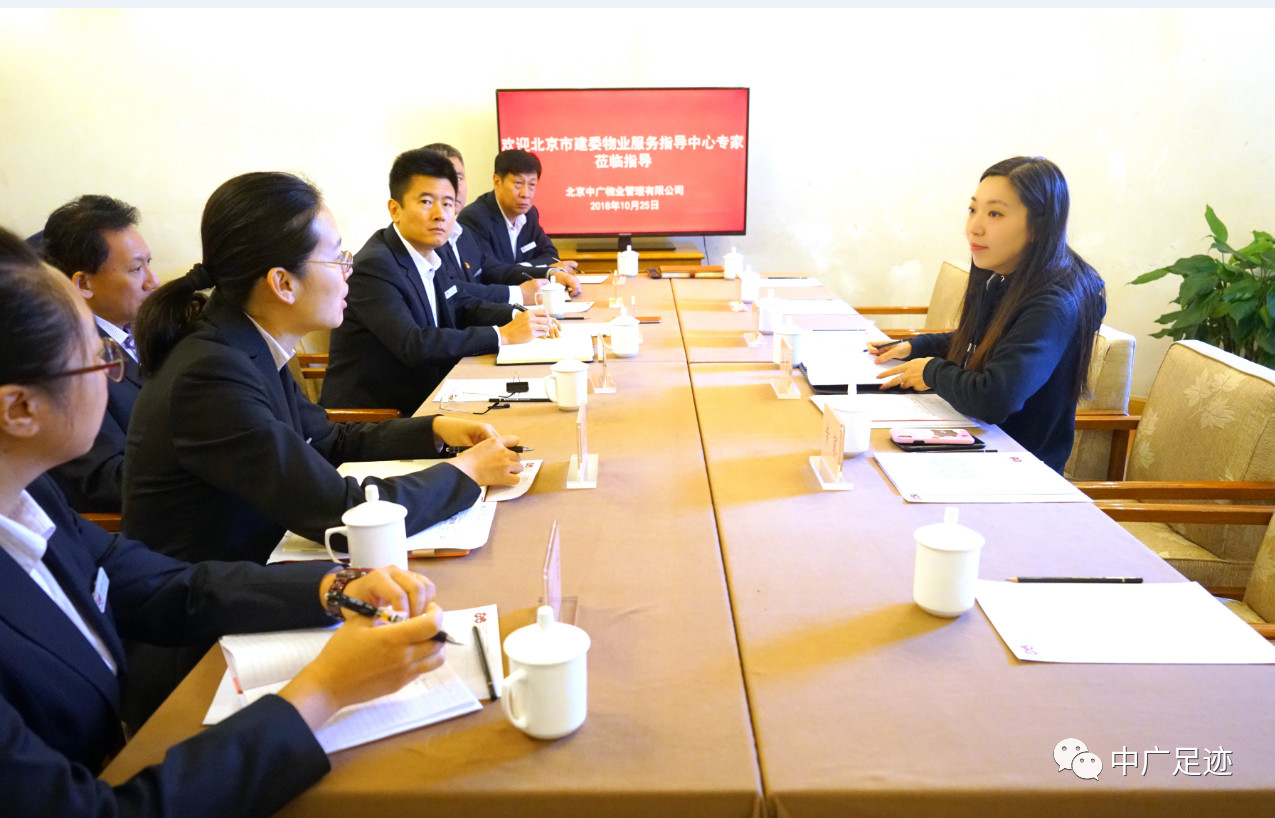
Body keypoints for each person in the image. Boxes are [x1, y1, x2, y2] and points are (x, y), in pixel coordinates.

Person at [0, 224, 456, 817]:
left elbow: (157, 583)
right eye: (100, 358)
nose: (118, 376)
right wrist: (324, 689)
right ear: (20, 408)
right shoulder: (213, 364)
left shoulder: (29, 495)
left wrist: (333, 586)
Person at [123, 170, 526, 565]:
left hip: (268, 561)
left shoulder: (244, 342)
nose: (349, 271)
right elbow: (343, 513)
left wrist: (434, 430)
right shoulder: (211, 374)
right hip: (225, 590)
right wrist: (466, 472)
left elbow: (327, 440)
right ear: (283, 283)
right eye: (337, 258)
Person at [869, 156, 1105, 473]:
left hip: (1017, 468)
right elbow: (995, 341)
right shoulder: (1007, 273)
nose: (974, 228)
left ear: (1038, 226)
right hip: (977, 441)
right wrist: (917, 346)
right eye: (973, 210)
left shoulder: (1054, 300)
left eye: (994, 214)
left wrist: (931, 371)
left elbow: (995, 398)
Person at [320, 149, 557, 416]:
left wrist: (520, 316)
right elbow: (413, 343)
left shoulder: (429, 253)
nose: (440, 214)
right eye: (426, 202)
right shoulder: (375, 266)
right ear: (395, 210)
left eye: (447, 203)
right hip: (378, 417)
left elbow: (462, 305)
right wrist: (502, 335)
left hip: (432, 394)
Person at [40, 195, 158, 512]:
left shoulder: (151, 329)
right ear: (84, 284)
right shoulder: (70, 363)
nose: (153, 281)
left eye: (149, 263)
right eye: (136, 269)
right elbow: (107, 479)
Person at [422, 142, 545, 307]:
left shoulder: (462, 233)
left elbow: (490, 270)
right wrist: (518, 295)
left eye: (458, 178)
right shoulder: (470, 219)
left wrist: (550, 274)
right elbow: (451, 291)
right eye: (442, 179)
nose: (454, 188)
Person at [457, 148, 583, 297]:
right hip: (496, 302)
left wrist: (522, 267)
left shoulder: (530, 214)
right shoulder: (475, 217)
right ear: (497, 181)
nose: (525, 194)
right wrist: (546, 271)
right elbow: (490, 271)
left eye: (532, 185)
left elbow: (550, 254)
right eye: (518, 183)